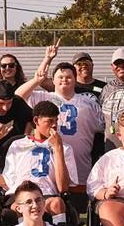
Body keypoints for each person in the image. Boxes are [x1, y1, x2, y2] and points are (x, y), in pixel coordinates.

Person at [14, 44, 102, 186]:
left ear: (75, 79)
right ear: (53, 80)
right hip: (48, 165)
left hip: (80, 162)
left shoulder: (89, 103)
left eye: (68, 77)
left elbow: (101, 126)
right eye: (60, 77)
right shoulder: (43, 97)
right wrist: (37, 79)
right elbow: (17, 98)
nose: (64, 80)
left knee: (78, 203)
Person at [0, 101, 78, 223]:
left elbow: (63, 188)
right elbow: (9, 181)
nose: (54, 125)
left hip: (46, 194)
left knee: (57, 203)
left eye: (56, 121)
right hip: (20, 194)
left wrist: (58, 149)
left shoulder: (65, 148)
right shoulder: (17, 145)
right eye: (49, 121)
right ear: (36, 121)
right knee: (17, 208)